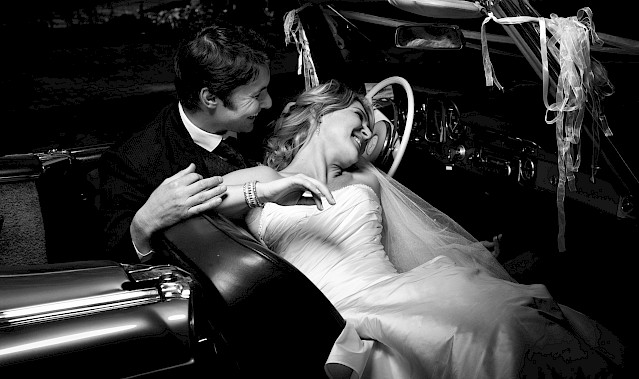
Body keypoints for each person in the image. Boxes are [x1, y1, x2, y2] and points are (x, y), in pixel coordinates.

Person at [217, 80, 623, 378]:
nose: (364, 132)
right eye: (358, 118)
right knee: (469, 338)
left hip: (392, 288)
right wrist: (269, 191)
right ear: (320, 113)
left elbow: (398, 247)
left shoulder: (366, 182)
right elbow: (199, 208)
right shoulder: (259, 176)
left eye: (368, 133)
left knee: (505, 320)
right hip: (334, 312)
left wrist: (469, 251)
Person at [99, 22, 333, 264]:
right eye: (256, 95)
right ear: (210, 97)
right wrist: (144, 223)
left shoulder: (269, 118)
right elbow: (118, 262)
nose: (268, 103)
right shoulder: (133, 162)